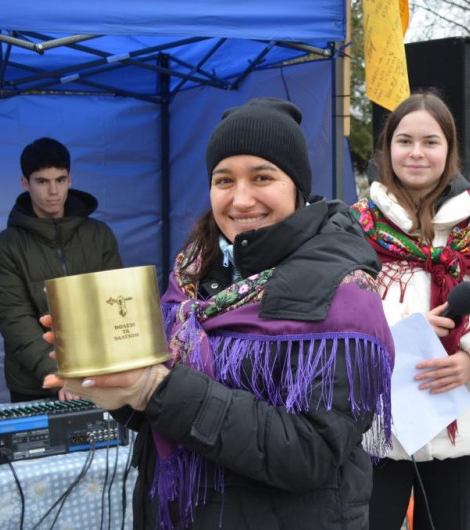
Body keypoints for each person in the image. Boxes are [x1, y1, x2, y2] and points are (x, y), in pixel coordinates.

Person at [44, 98, 394, 529]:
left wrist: (157, 389)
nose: (240, 199)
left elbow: (310, 455)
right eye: (223, 180)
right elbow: (169, 413)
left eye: (262, 177)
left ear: (297, 188)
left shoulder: (344, 294)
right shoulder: (193, 275)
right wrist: (118, 386)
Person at [350, 92, 470, 530]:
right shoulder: (353, 228)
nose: (416, 153)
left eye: (430, 141)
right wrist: (402, 328)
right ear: (387, 150)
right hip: (378, 426)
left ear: (449, 150)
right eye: (404, 141)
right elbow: (330, 310)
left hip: (465, 422)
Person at [0, 137, 123, 403]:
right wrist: (57, 373)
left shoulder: (99, 235)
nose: (53, 191)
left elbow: (114, 303)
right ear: (25, 184)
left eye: (60, 180)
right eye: (42, 181)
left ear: (70, 179)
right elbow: (15, 320)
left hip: (99, 377)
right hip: (35, 384)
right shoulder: (5, 247)